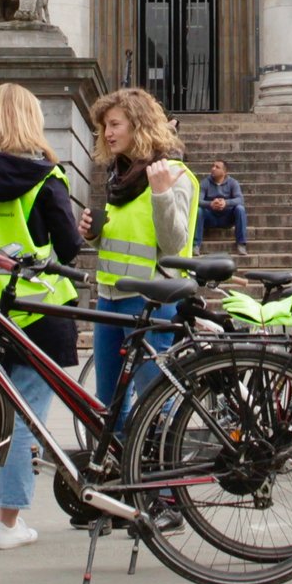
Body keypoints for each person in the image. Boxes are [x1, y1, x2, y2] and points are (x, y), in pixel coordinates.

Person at [0, 83, 83, 551]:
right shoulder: (47, 177)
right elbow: (67, 248)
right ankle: (9, 522)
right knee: (24, 415)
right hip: (37, 307)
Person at [80, 87, 195, 420]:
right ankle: (116, 466)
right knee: (108, 400)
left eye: (115, 124)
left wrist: (161, 194)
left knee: (154, 398)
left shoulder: (172, 174)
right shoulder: (120, 177)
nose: (108, 133)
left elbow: (174, 244)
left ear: (138, 125)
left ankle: (161, 462)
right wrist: (94, 235)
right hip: (109, 297)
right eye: (105, 127)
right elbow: (124, 238)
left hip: (150, 300)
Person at [199, 158, 249, 256]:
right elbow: (198, 200)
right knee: (199, 210)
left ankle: (241, 244)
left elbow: (240, 199)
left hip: (227, 218)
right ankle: (196, 245)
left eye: (217, 167)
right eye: (213, 166)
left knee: (240, 209)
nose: (213, 169)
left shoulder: (233, 183)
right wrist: (210, 204)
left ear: (224, 172)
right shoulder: (205, 182)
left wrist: (226, 203)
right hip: (210, 218)